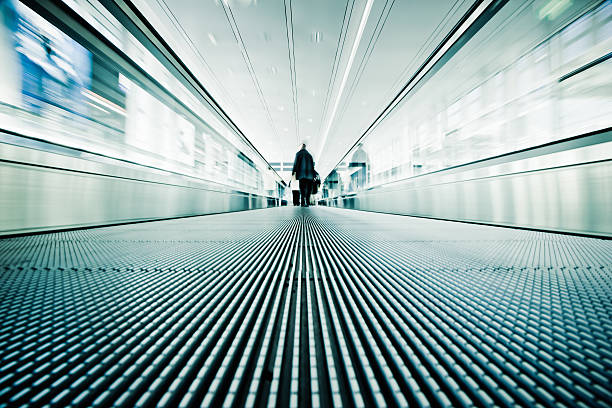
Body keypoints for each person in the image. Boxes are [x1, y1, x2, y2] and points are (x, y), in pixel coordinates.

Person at [292, 142, 315, 207]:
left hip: (302, 174)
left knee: (302, 188)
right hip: (310, 175)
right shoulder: (310, 155)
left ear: (301, 147)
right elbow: (313, 166)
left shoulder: (298, 154)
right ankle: (307, 202)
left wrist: (293, 172)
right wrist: (313, 175)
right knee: (308, 189)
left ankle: (302, 202)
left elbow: (295, 164)